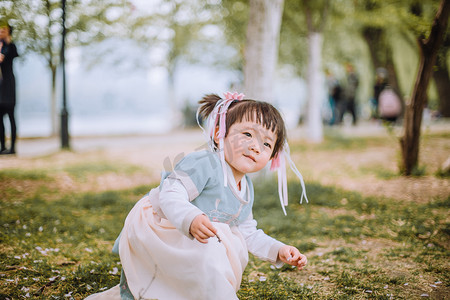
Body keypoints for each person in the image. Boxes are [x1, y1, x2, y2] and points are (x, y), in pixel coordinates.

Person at [85, 92, 309, 300]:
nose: (256, 147)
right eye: (248, 134)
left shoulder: (246, 188)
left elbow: (247, 232)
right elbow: (171, 192)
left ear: (272, 157)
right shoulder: (205, 163)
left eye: (267, 143)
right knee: (211, 248)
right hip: (161, 225)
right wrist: (190, 217)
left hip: (195, 234)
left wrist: (278, 250)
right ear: (220, 135)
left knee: (225, 241)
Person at [0, 22, 19, 155]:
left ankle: (12, 148)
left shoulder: (11, 47)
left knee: (11, 117)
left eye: (4, 30)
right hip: (0, 86)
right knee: (0, 118)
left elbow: (13, 55)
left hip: (9, 85)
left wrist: (7, 42)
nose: (1, 31)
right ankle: (3, 146)